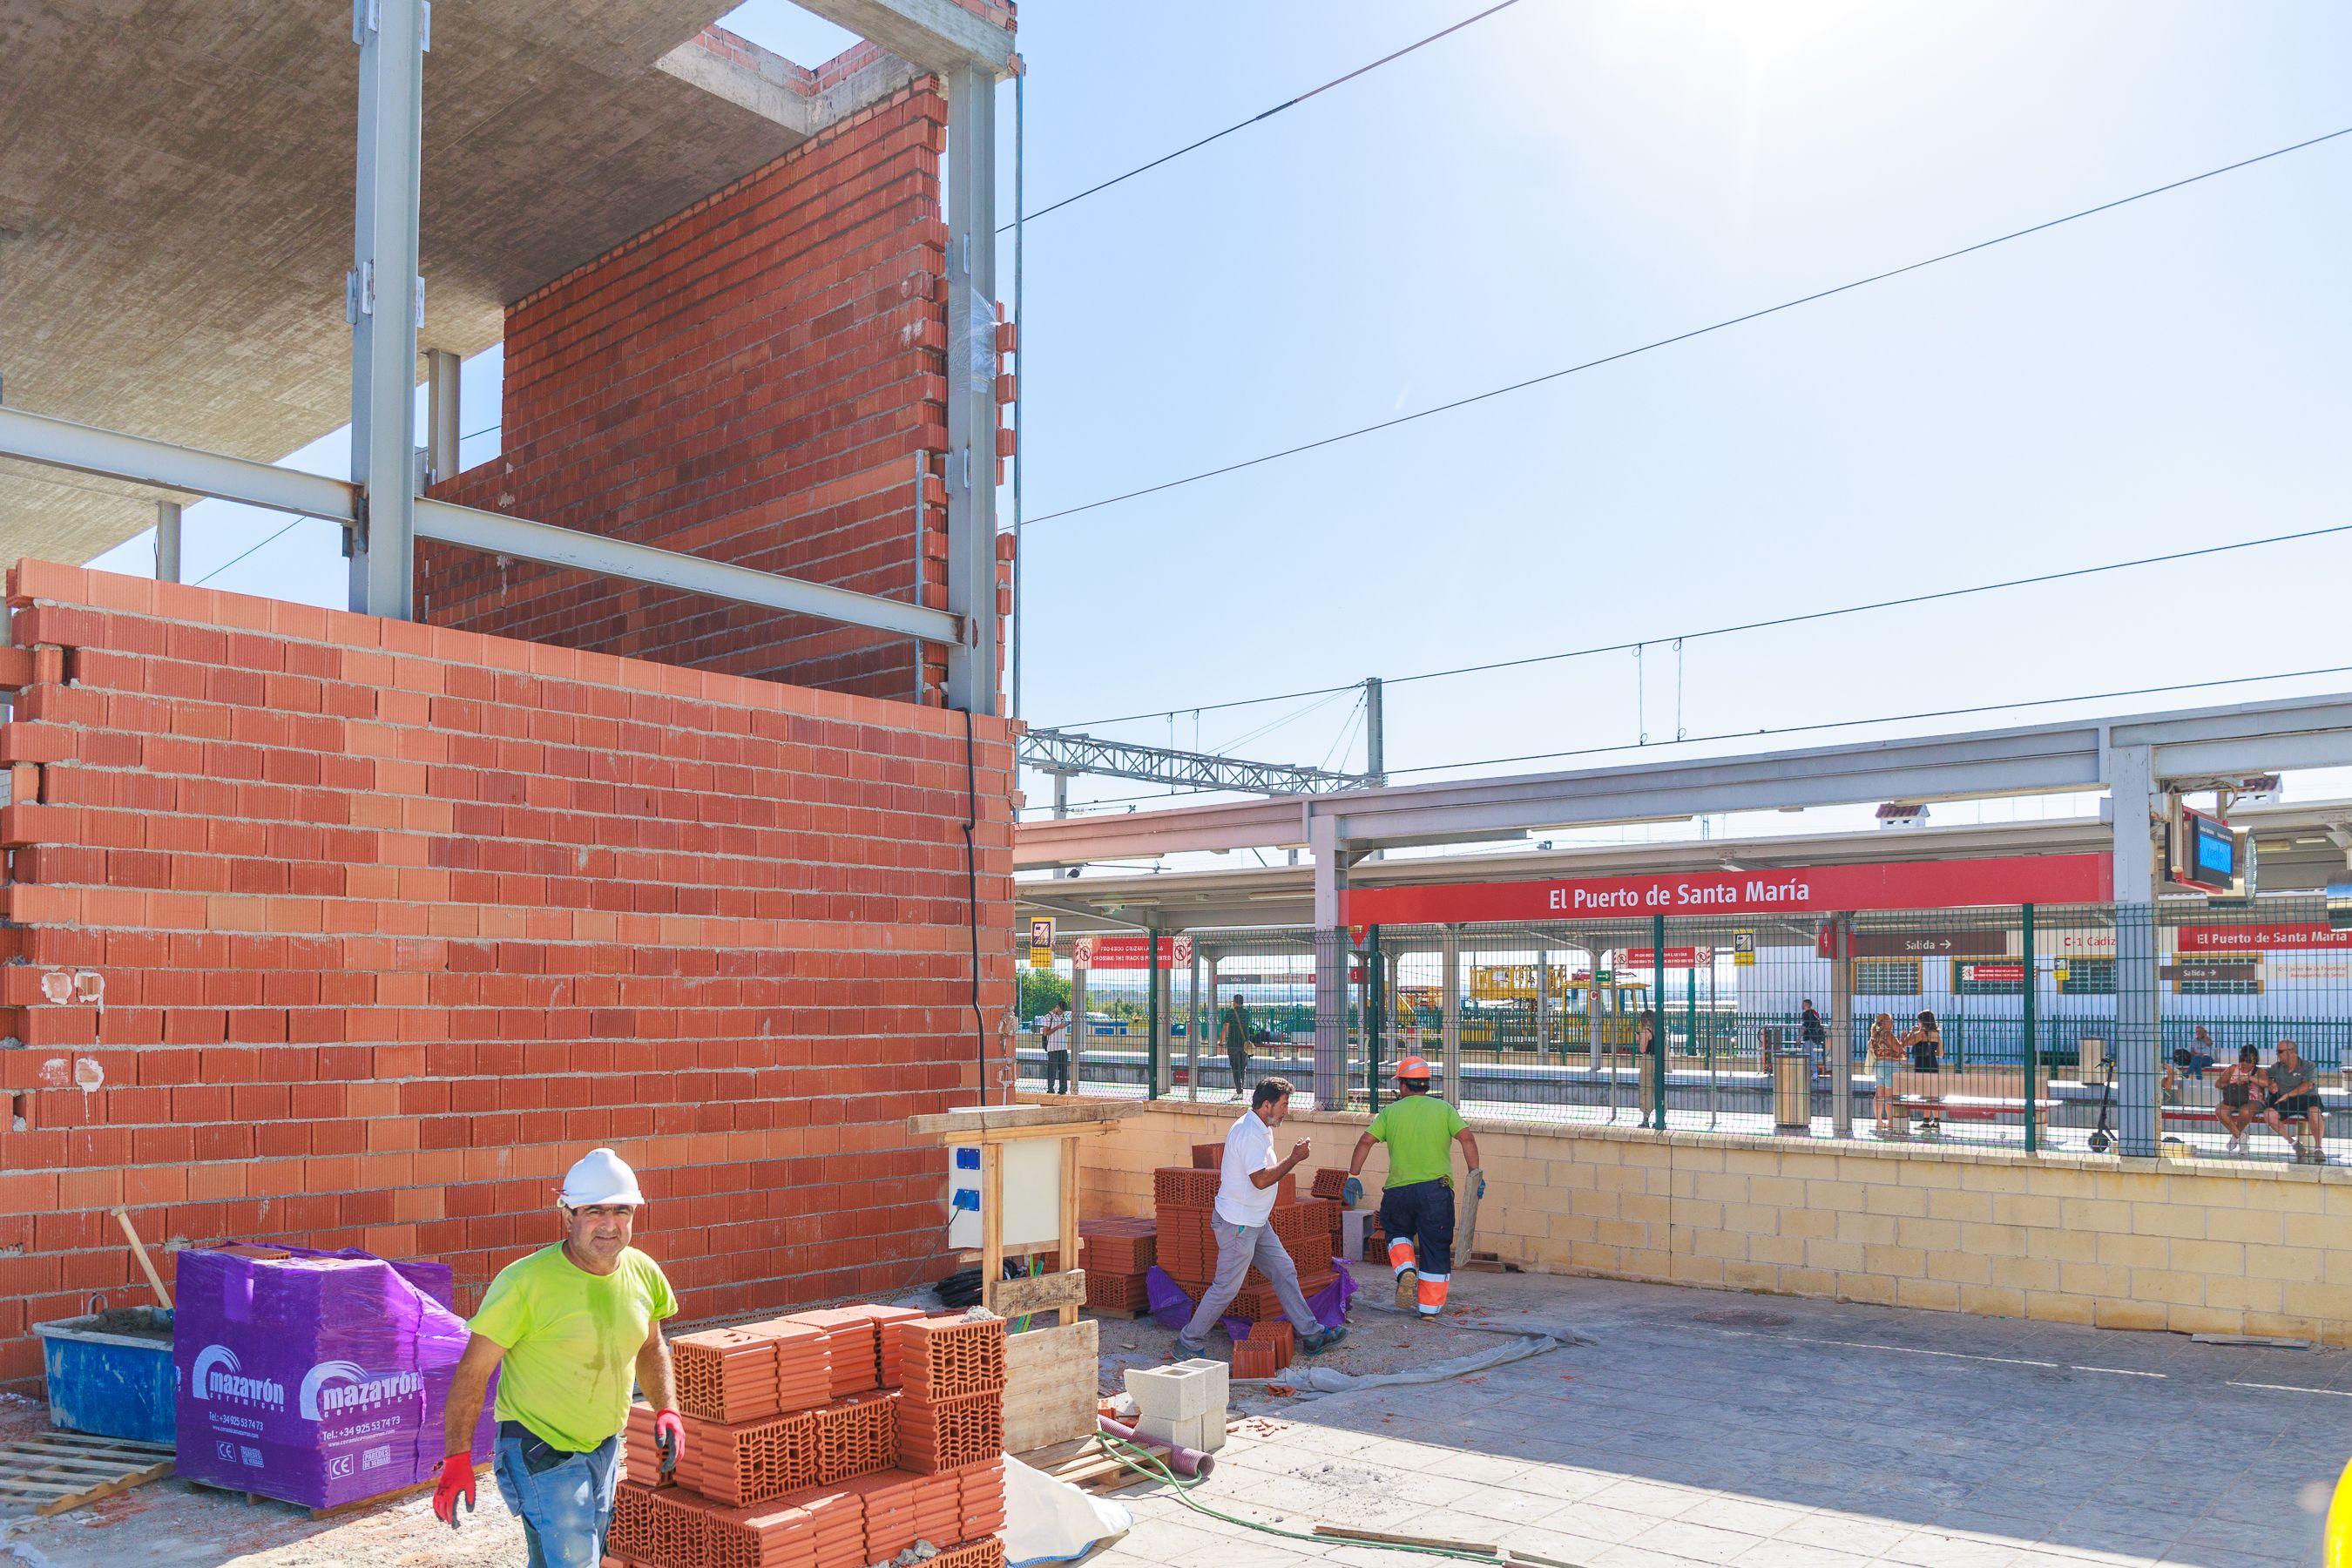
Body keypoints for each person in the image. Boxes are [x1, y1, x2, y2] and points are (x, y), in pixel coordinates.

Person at [434, 1148, 682, 1567]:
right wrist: (458, 1456)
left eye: (621, 1210)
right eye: (593, 1211)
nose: (609, 1224)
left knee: (570, 1556)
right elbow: (473, 1372)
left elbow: (650, 1345)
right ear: (567, 1215)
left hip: (602, 1445)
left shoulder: (643, 1271)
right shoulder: (524, 1283)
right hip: (540, 1449)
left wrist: (667, 1410)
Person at [1174, 1079, 1348, 1358]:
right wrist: (1294, 1158)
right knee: (1226, 1289)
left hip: (1254, 1222)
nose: (1287, 1111)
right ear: (1266, 1105)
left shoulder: (1260, 1127)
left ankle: (1312, 1335)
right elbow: (1260, 1180)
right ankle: (1187, 1341)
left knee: (1284, 1270)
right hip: (1238, 1225)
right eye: (1284, 1105)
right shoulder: (1248, 1133)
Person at [1343, 1057, 1484, 1319]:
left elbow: (1365, 1141)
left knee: (1397, 1233)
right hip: (1436, 1193)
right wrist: (1475, 1174)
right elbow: (1467, 1138)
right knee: (1435, 1247)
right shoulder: (1444, 1110)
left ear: (1404, 1086)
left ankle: (1406, 1269)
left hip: (1398, 1193)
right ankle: (1429, 1310)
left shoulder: (1389, 1113)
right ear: (1426, 1085)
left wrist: (1353, 1175)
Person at [2260, 1038, 2326, 1163]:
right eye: (2277, 1052)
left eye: (2280, 1052)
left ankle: (2318, 1148)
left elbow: (2307, 1085)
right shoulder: (2277, 1067)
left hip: (2307, 1098)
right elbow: (2262, 1074)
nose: (2278, 1055)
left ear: (2292, 1052)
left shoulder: (2308, 1066)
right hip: (2285, 1100)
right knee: (2269, 1114)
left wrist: (2288, 1094)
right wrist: (2270, 1082)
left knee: (2315, 1113)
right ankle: (2294, 1143)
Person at [2217, 1044, 2268, 1154]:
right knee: (2220, 1111)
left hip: (2254, 1100)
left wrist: (2249, 1078)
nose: (2245, 1064)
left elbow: (2265, 1083)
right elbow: (2218, 1084)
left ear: (2255, 1061)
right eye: (2243, 1060)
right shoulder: (2233, 1069)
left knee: (2245, 1111)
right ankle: (2240, 1136)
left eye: (2249, 1061)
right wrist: (2234, 1084)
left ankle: (2235, 1137)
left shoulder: (2259, 1071)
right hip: (2235, 1097)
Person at [1901, 1010, 1943, 1135]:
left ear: (1922, 1021)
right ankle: (1935, 1122)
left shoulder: (1921, 1033)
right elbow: (1940, 1054)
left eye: (1919, 1021)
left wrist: (1911, 1032)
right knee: (1933, 1095)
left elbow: (1906, 1044)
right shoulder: (1936, 1034)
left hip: (1922, 1065)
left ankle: (1926, 1121)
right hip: (1933, 1064)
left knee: (1925, 1094)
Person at [1866, 1012, 1903, 1132]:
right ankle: (1890, 1122)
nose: (1892, 1023)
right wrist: (1903, 1039)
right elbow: (1898, 1048)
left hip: (1879, 1066)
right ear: (1884, 1023)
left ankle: (1879, 1121)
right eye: (1890, 1021)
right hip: (1890, 1067)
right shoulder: (1888, 1035)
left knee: (1879, 1095)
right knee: (1889, 1096)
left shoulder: (1874, 1036)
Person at [1219, 994, 1252, 1098]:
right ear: (1242, 1002)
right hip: (1245, 1044)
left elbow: (1225, 1028)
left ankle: (1239, 1091)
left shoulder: (1230, 1013)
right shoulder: (1247, 1013)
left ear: (1234, 1002)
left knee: (1235, 1068)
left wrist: (1221, 1043)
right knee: (1242, 1067)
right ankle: (1241, 1089)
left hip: (1233, 1044)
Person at [1039, 1000, 1071, 1095]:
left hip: (1063, 1047)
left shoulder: (1063, 1016)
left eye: (1063, 1012)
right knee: (1052, 1070)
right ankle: (1050, 1089)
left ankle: (1063, 1089)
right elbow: (1045, 1033)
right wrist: (1058, 1027)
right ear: (1057, 1007)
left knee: (1063, 1069)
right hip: (1052, 1047)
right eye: (1061, 1011)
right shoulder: (1048, 1017)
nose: (1062, 1013)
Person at [1800, 1000, 1829, 1080]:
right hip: (1814, 1037)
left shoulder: (1805, 1014)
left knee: (1809, 1056)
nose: (1802, 1005)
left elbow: (1804, 1026)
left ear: (1806, 1004)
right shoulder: (1814, 1013)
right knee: (1807, 1055)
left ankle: (1815, 1073)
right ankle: (1809, 1072)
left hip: (1808, 1037)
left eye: (1803, 1004)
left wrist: (1798, 1038)